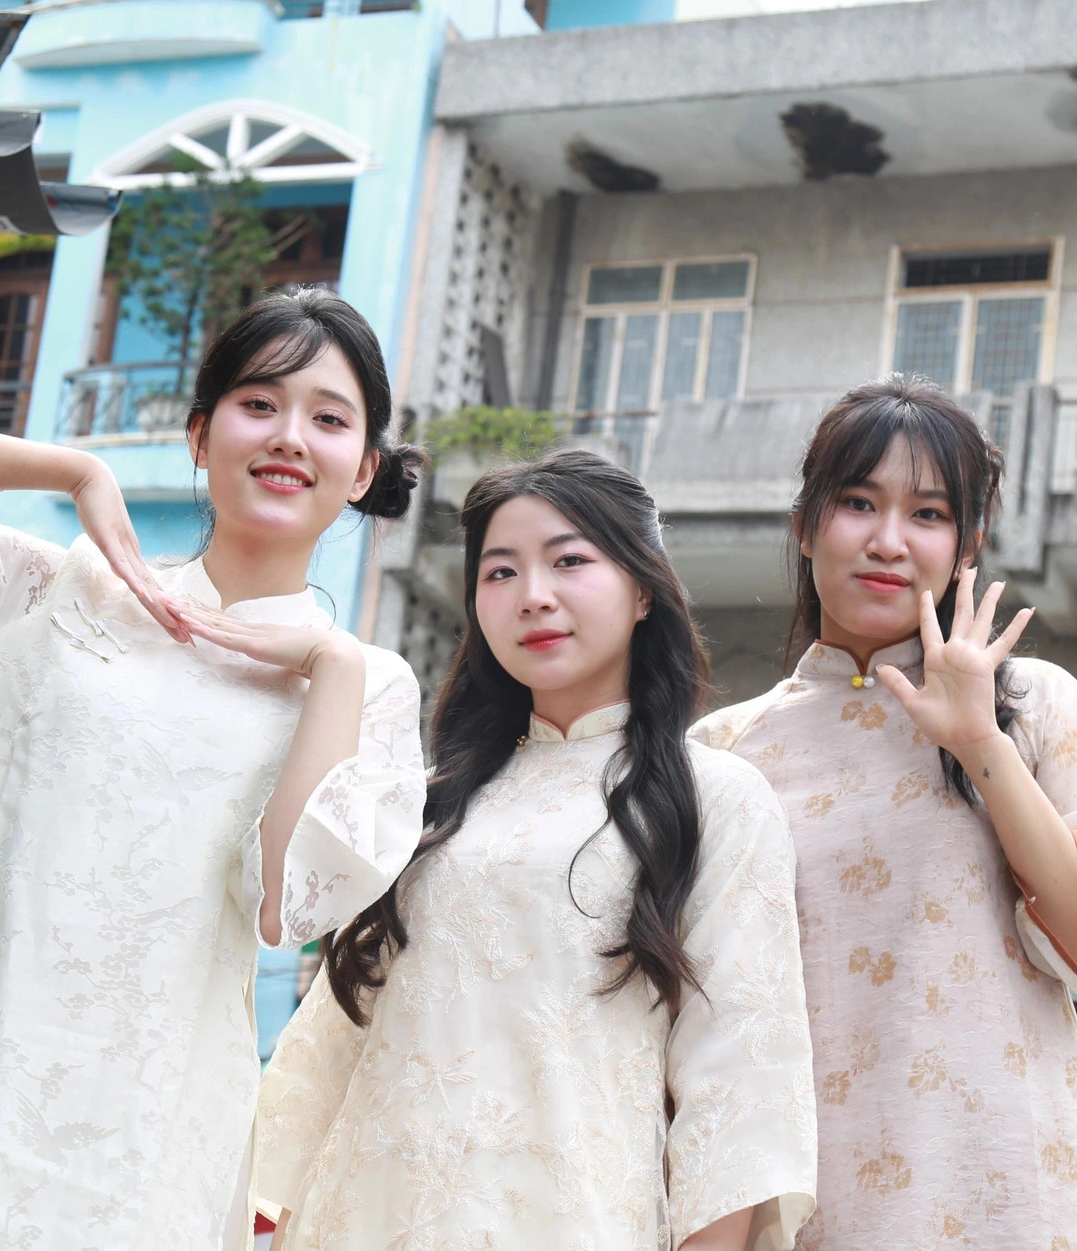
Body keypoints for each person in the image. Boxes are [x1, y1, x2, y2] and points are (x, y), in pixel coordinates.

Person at [0, 291, 429, 1250]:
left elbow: (284, 904)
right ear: (200, 435)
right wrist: (71, 467)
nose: (288, 437)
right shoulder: (53, 591)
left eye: (327, 418)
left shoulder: (368, 688)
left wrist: (330, 667)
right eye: (258, 403)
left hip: (138, 1128)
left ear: (361, 471)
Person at [254, 450, 817, 1250]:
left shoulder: (710, 795)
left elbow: (741, 1079)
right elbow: (336, 1039)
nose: (535, 596)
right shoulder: (431, 802)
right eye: (501, 572)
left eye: (570, 561)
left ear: (643, 587)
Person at [690, 378, 1077, 1249]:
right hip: (818, 1201)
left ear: (967, 546)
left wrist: (980, 744)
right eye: (858, 502)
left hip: (1012, 1190)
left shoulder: (1032, 704)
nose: (889, 540)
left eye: (927, 514)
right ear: (805, 526)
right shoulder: (722, 753)